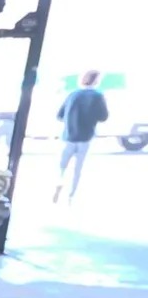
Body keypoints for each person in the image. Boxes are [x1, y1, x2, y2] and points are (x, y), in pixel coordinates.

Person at [54, 70, 109, 202]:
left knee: (62, 166)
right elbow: (103, 117)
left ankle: (58, 185)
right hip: (85, 137)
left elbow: (59, 115)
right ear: (96, 80)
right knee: (77, 169)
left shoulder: (73, 94)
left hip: (68, 136)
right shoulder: (97, 96)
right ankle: (71, 195)